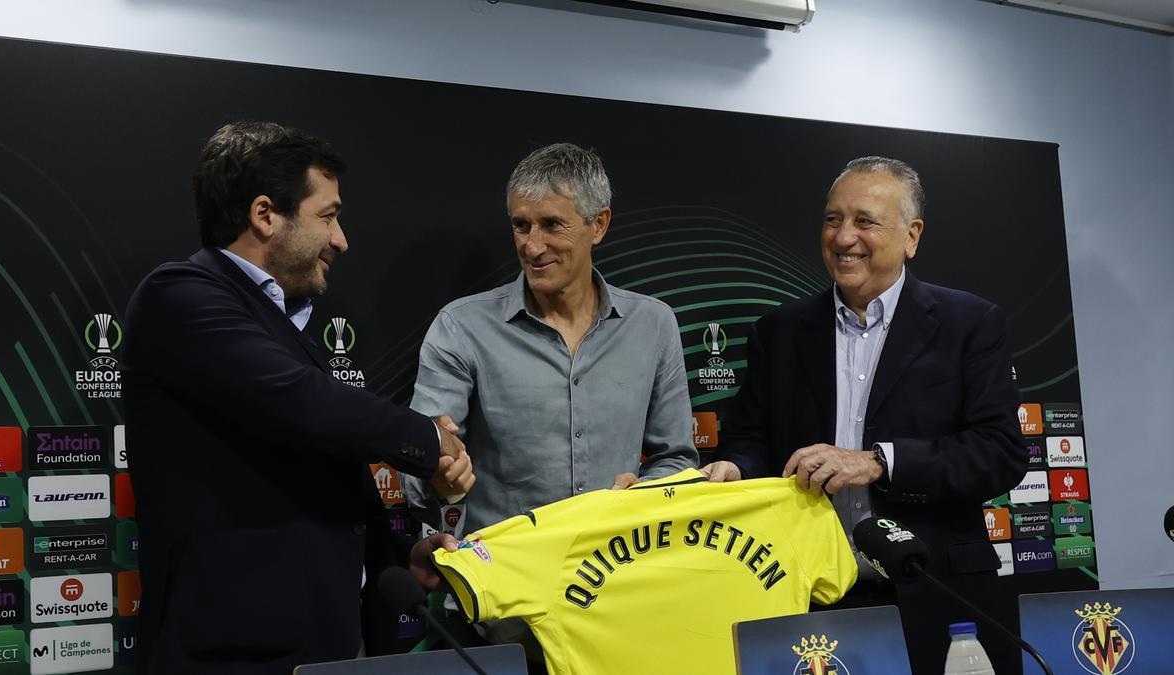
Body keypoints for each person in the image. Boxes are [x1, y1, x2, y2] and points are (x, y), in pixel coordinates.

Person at [121, 121, 473, 674]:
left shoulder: (283, 316)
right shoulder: (179, 296)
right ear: (265, 215)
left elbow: (311, 464)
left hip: (329, 644)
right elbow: (303, 404)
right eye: (328, 217)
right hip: (231, 658)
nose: (341, 240)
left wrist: (395, 556)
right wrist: (430, 440)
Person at [702, 156, 1028, 675]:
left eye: (864, 221)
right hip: (808, 596)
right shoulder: (779, 332)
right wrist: (734, 468)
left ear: (911, 235)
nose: (843, 236)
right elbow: (749, 438)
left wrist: (879, 462)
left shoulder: (970, 323)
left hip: (939, 596)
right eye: (833, 219)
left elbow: (1000, 452)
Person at [404, 142, 698, 661]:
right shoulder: (462, 327)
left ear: (599, 225)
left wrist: (647, 494)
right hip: (503, 615)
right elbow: (420, 460)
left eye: (551, 225)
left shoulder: (654, 324)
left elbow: (677, 458)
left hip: (621, 601)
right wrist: (437, 470)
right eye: (521, 226)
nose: (532, 246)